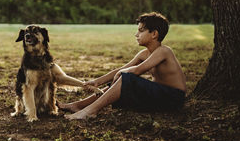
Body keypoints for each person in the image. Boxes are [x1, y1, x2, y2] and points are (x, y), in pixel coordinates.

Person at [58, 12, 187, 120]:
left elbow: (136, 70)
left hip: (173, 98)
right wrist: (97, 81)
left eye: (141, 31)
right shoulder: (144, 53)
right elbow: (121, 69)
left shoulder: (164, 51)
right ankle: (78, 105)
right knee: (122, 79)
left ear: (154, 34)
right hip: (159, 94)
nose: (136, 35)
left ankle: (89, 111)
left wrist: (121, 75)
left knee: (126, 78)